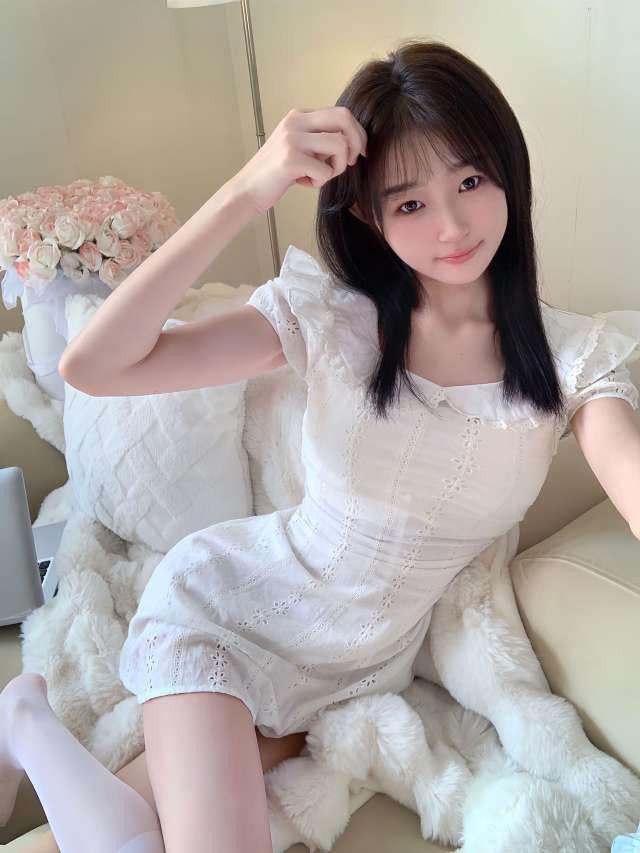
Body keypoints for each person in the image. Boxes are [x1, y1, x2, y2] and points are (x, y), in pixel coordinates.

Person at [3, 37, 640, 853]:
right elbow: (93, 366)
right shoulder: (335, 320)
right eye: (409, 204)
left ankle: (22, 722)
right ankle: (25, 722)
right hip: (230, 614)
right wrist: (249, 188)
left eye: (471, 182)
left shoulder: (574, 357)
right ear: (368, 214)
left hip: (355, 672)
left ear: (507, 172)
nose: (452, 225)